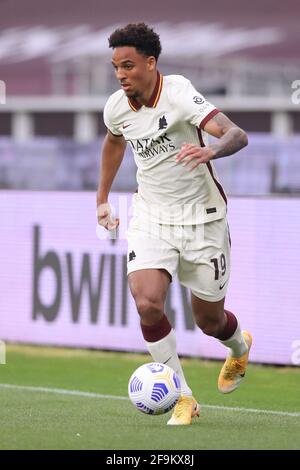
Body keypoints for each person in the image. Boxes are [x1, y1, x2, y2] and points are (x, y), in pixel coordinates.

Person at [97, 23, 252, 425]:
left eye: (128, 66)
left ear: (150, 63)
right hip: (151, 217)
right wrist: (101, 199)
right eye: (115, 67)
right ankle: (184, 397)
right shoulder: (117, 107)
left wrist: (211, 150)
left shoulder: (180, 92)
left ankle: (238, 347)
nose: (121, 75)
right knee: (147, 302)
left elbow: (237, 134)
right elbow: (114, 141)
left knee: (209, 321)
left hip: (203, 220)